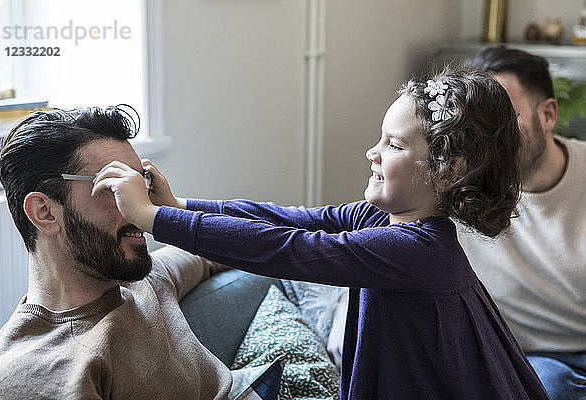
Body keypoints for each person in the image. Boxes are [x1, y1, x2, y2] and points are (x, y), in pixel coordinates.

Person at [93, 67, 550, 399]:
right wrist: (182, 206)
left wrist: (155, 220)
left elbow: (286, 250)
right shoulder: (383, 220)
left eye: (393, 145)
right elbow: (285, 221)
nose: (372, 151)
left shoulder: (416, 251)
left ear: (448, 170)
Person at [0, 106, 233, 399]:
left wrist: (174, 213)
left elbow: (222, 248)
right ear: (45, 213)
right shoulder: (28, 375)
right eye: (116, 185)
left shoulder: (143, 278)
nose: (140, 207)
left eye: (141, 183)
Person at [457, 45, 586, 400]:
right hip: (517, 357)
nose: (489, 137)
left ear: (547, 114)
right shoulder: (457, 187)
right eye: (478, 121)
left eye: (504, 117)